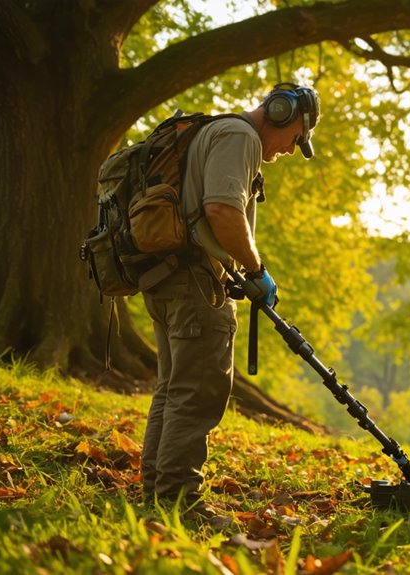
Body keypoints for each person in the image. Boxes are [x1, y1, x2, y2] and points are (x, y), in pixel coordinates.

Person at [139, 82, 321, 526]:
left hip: (166, 280)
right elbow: (222, 210)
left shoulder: (213, 132)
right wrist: (256, 270)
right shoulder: (240, 137)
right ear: (280, 113)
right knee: (197, 392)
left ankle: (157, 492)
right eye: (295, 138)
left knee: (172, 388)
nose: (288, 150)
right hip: (197, 287)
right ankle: (179, 502)